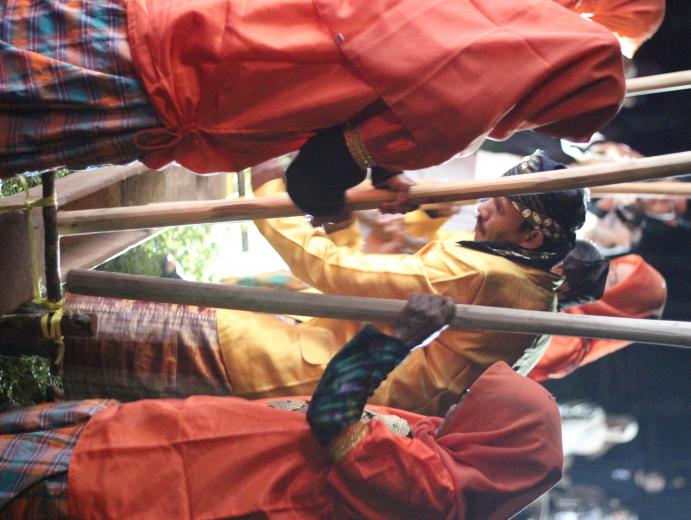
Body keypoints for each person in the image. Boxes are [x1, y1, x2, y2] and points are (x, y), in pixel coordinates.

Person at [1, 0, 625, 218]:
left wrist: (385, 167)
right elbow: (312, 177)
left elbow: (381, 65)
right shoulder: (458, 116)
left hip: (178, 17)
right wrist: (338, 209)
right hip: (164, 90)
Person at [0, 295, 564, 519]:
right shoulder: (435, 451)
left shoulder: (435, 492)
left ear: (495, 438)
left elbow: (333, 415)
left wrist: (398, 338)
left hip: (157, 487)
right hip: (162, 445)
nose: (460, 403)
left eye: (475, 406)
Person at [528, 253, 667, 381]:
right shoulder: (566, 281)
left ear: (619, 307)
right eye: (611, 266)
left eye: (612, 278)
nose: (601, 270)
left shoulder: (569, 343)